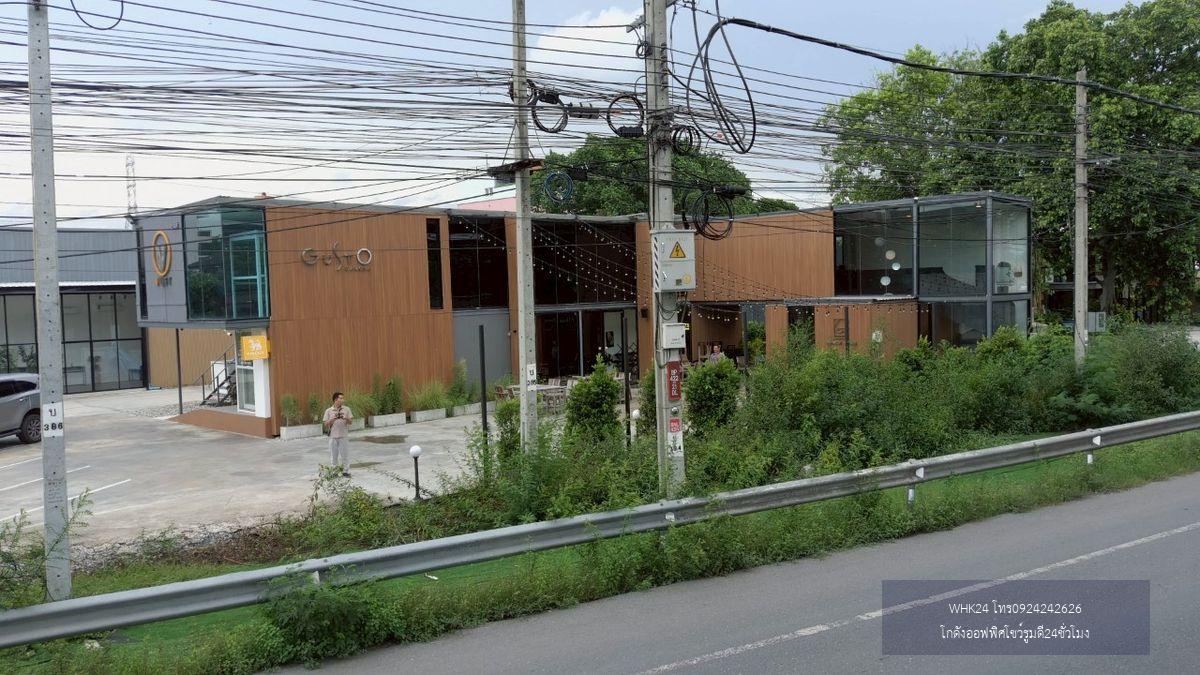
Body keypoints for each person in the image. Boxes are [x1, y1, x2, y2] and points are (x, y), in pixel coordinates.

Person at [322, 391, 353, 477]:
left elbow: (351, 422)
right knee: (333, 456)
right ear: (335, 400)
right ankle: (334, 472)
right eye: (341, 398)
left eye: (343, 398)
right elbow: (325, 424)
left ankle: (346, 471)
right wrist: (332, 419)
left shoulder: (347, 409)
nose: (343, 400)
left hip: (343, 436)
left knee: (345, 455)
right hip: (333, 437)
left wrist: (346, 418)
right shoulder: (328, 411)